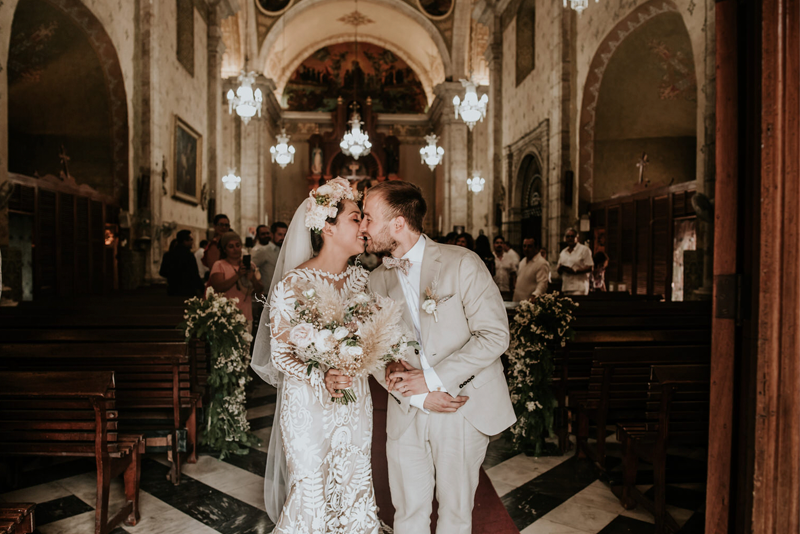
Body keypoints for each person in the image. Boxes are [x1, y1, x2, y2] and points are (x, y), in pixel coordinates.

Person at [360, 181, 516, 534]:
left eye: (369, 217)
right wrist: (418, 393)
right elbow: (372, 354)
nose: (363, 227)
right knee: (408, 512)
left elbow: (495, 336)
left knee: (456, 514)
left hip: (460, 404)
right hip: (406, 409)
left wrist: (433, 380)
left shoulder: (462, 263)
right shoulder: (375, 281)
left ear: (398, 223)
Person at [250, 178, 381, 533]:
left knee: (353, 482)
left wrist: (362, 356)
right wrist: (319, 375)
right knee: (312, 490)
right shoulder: (293, 284)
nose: (365, 227)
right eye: (357, 218)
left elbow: (374, 338)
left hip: (354, 402)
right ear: (327, 226)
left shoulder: (362, 281)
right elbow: (280, 354)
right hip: (308, 402)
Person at [208, 232, 264, 333]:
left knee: (245, 348)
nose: (235, 249)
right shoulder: (219, 265)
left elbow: (260, 290)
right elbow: (219, 287)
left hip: (246, 316)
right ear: (224, 249)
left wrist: (253, 279)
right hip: (224, 317)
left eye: (238, 245)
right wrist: (238, 275)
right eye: (231, 246)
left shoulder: (250, 265)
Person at [159, 230, 203, 297]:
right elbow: (194, 275)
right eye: (190, 240)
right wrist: (202, 290)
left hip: (172, 291)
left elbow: (162, 272)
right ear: (185, 241)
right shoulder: (189, 255)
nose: (192, 242)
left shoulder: (168, 255)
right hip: (188, 292)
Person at [557, 227, 594, 295]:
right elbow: (559, 267)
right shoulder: (563, 252)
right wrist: (561, 269)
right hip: (566, 287)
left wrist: (575, 271)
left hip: (579, 287)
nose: (570, 238)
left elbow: (590, 267)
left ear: (577, 238)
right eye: (568, 236)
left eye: (572, 236)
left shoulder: (584, 250)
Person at [493, 235, 518, 301]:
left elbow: (513, 273)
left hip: (506, 291)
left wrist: (514, 287)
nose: (499, 245)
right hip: (493, 291)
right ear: (494, 244)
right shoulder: (491, 258)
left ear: (504, 245)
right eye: (497, 243)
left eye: (501, 243)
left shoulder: (509, 257)